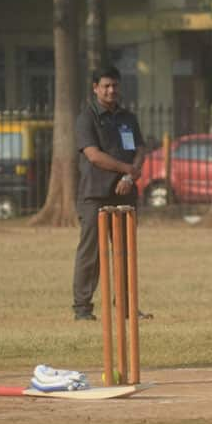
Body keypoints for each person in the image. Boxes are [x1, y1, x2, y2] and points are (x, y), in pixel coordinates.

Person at [73, 66, 147, 321]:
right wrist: (127, 168)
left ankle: (126, 306)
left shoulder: (128, 117)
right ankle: (82, 309)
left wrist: (130, 175)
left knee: (126, 252)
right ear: (95, 88)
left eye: (114, 85)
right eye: (105, 85)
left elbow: (140, 149)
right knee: (91, 253)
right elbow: (93, 156)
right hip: (95, 195)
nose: (111, 90)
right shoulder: (87, 118)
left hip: (124, 193)